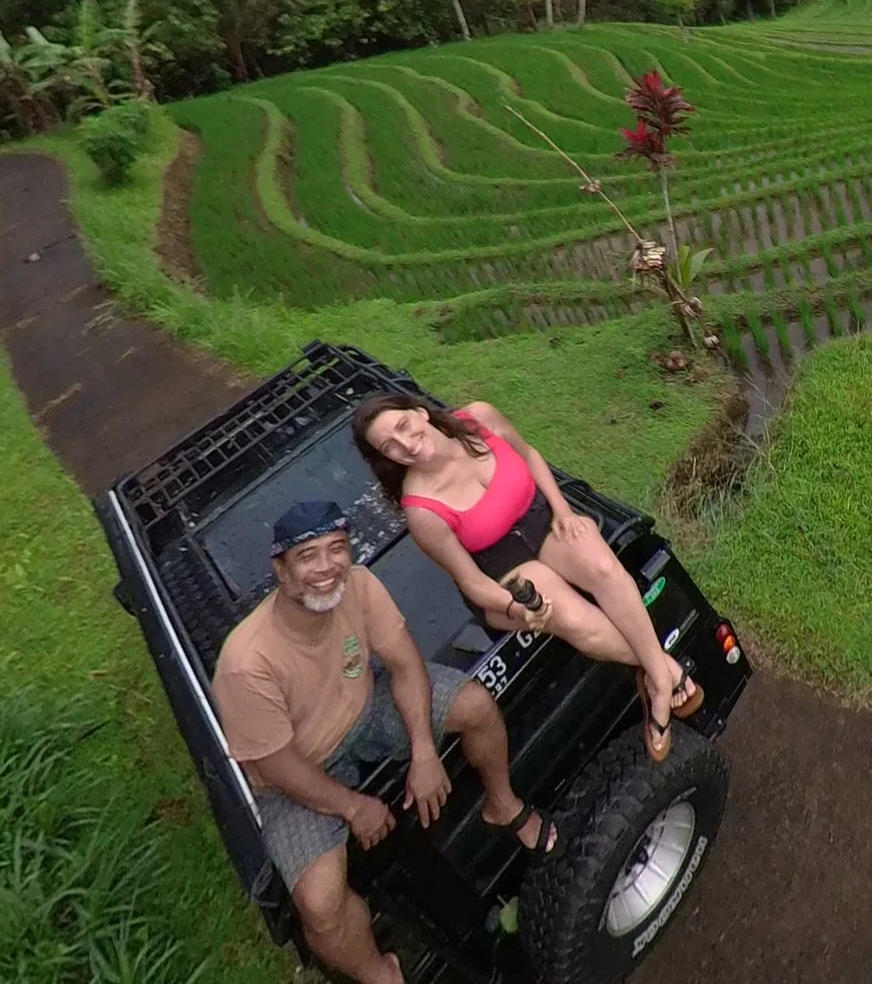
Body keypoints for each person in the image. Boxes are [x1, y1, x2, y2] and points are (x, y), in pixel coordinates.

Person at [213, 501, 556, 984]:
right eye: (308, 555)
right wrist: (354, 808)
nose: (327, 567)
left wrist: (423, 751)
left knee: (476, 707)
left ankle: (504, 805)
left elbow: (405, 663)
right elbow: (276, 766)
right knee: (320, 903)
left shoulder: (359, 585)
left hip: (364, 709)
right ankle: (381, 973)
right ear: (281, 569)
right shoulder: (246, 662)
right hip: (299, 769)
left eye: (337, 549)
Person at [351, 394, 702, 762]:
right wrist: (513, 607)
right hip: (502, 572)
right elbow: (471, 581)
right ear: (384, 458)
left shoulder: (478, 418)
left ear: (419, 412)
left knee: (604, 569)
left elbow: (530, 454)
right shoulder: (421, 511)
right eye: (389, 446)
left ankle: (656, 676)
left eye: (403, 427)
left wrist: (564, 510)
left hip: (542, 521)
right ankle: (665, 675)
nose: (405, 444)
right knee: (573, 618)